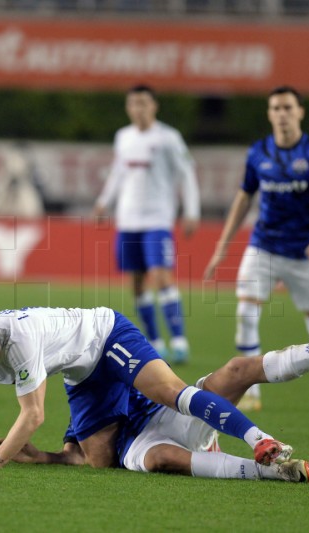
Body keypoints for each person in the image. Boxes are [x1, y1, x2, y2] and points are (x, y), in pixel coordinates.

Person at [0, 300, 309, 482]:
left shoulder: (112, 345)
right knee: (161, 458)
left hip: (163, 416)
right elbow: (79, 456)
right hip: (138, 444)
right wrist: (42, 457)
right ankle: (274, 473)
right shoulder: (78, 386)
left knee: (237, 369)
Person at [0, 305, 296, 469]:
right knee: (98, 459)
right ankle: (182, 437)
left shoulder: (20, 343)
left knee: (171, 392)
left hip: (104, 336)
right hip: (80, 371)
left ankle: (232, 433)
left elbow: (33, 415)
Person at [203, 85, 309, 415]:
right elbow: (244, 198)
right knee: (246, 313)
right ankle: (250, 393)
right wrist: (222, 248)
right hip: (264, 247)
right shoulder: (258, 153)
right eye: (276, 108)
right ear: (269, 114)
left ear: (300, 112)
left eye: (288, 107)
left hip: (305, 254)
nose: (282, 114)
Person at [92, 84, 200, 364]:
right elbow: (118, 172)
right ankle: (154, 341)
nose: (138, 109)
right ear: (128, 107)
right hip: (127, 221)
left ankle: (179, 341)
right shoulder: (124, 137)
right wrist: (104, 200)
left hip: (157, 219)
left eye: (143, 103)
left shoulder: (168, 138)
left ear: (154, 106)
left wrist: (191, 210)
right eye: (133, 103)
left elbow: (186, 173)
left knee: (162, 276)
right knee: (137, 284)